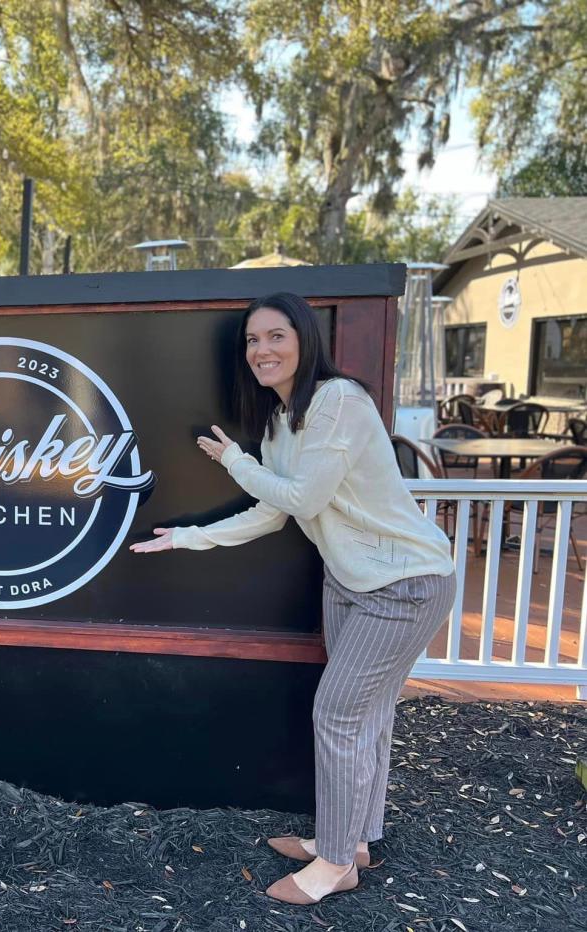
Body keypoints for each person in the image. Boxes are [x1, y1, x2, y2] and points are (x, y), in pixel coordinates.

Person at [130, 292, 454, 905]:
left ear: (304, 340)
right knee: (367, 714)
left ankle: (335, 865)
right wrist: (190, 537)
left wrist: (233, 459)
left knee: (339, 714)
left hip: (405, 583)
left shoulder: (339, 401)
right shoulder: (282, 422)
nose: (262, 350)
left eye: (276, 336)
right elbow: (272, 512)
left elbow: (303, 498)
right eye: (252, 341)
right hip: (348, 582)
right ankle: (352, 840)